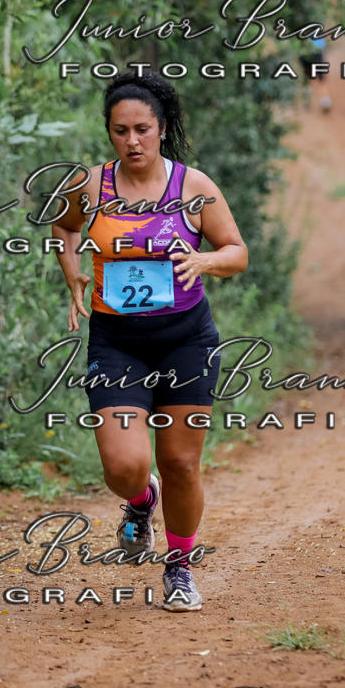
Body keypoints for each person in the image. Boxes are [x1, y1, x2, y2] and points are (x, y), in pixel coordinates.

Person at [51, 71, 248, 611]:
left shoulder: (193, 188)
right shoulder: (91, 186)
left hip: (185, 340)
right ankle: (141, 503)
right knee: (124, 466)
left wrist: (204, 258)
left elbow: (237, 251)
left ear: (161, 129)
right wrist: (71, 271)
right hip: (116, 342)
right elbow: (65, 229)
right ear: (109, 133)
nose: (131, 140)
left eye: (142, 129)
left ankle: (180, 567)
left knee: (182, 463)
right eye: (120, 131)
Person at [299, 35, 332, 112]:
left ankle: (310, 100)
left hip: (307, 48)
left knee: (310, 76)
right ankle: (323, 101)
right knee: (318, 77)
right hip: (313, 47)